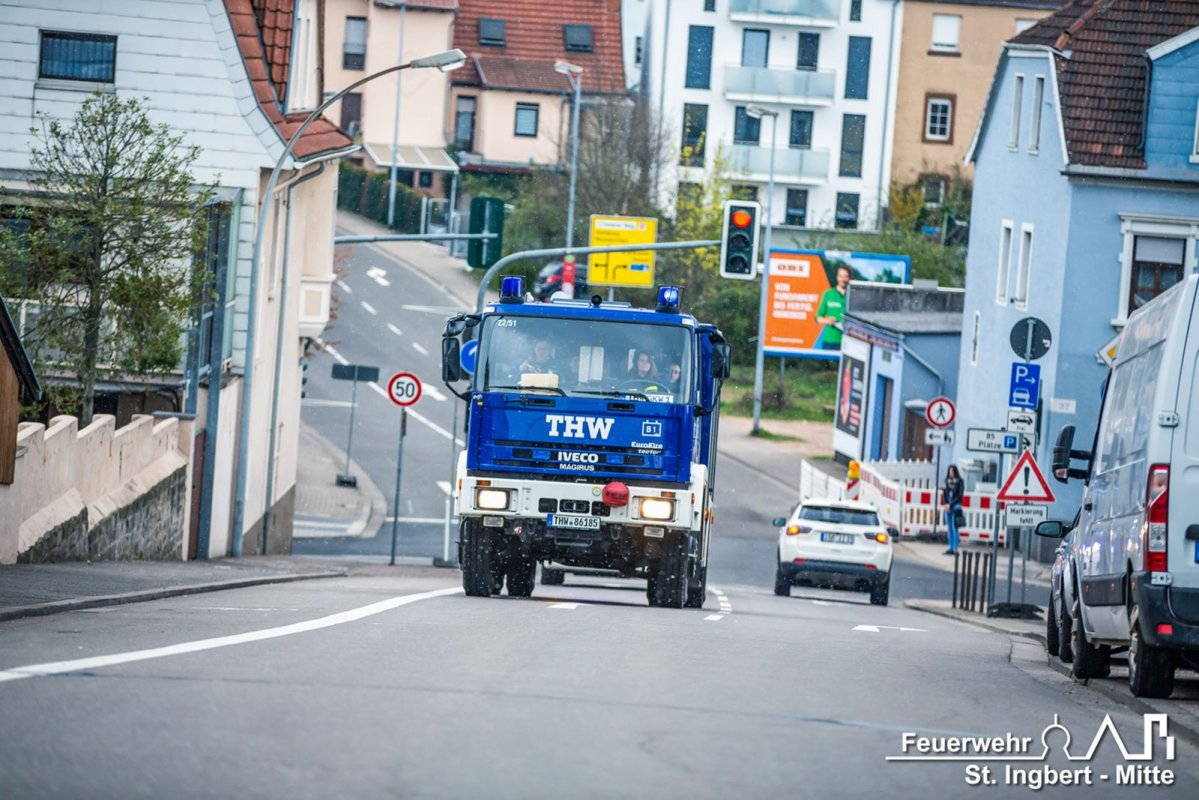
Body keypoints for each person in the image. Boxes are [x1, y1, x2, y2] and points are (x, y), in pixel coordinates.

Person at [815, 264, 852, 351]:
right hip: (830, 341)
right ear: (837, 277)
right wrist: (827, 321)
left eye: (846, 276)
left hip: (848, 341)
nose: (843, 279)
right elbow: (818, 317)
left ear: (850, 278)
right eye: (841, 276)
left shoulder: (853, 295)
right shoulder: (828, 294)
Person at [941, 465, 964, 555]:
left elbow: (959, 495)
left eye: (952, 471)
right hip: (948, 506)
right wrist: (946, 504)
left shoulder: (960, 482)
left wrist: (951, 505)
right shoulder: (946, 481)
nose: (951, 473)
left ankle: (955, 548)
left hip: (955, 505)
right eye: (949, 471)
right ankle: (950, 547)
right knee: (950, 528)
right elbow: (945, 494)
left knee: (955, 527)